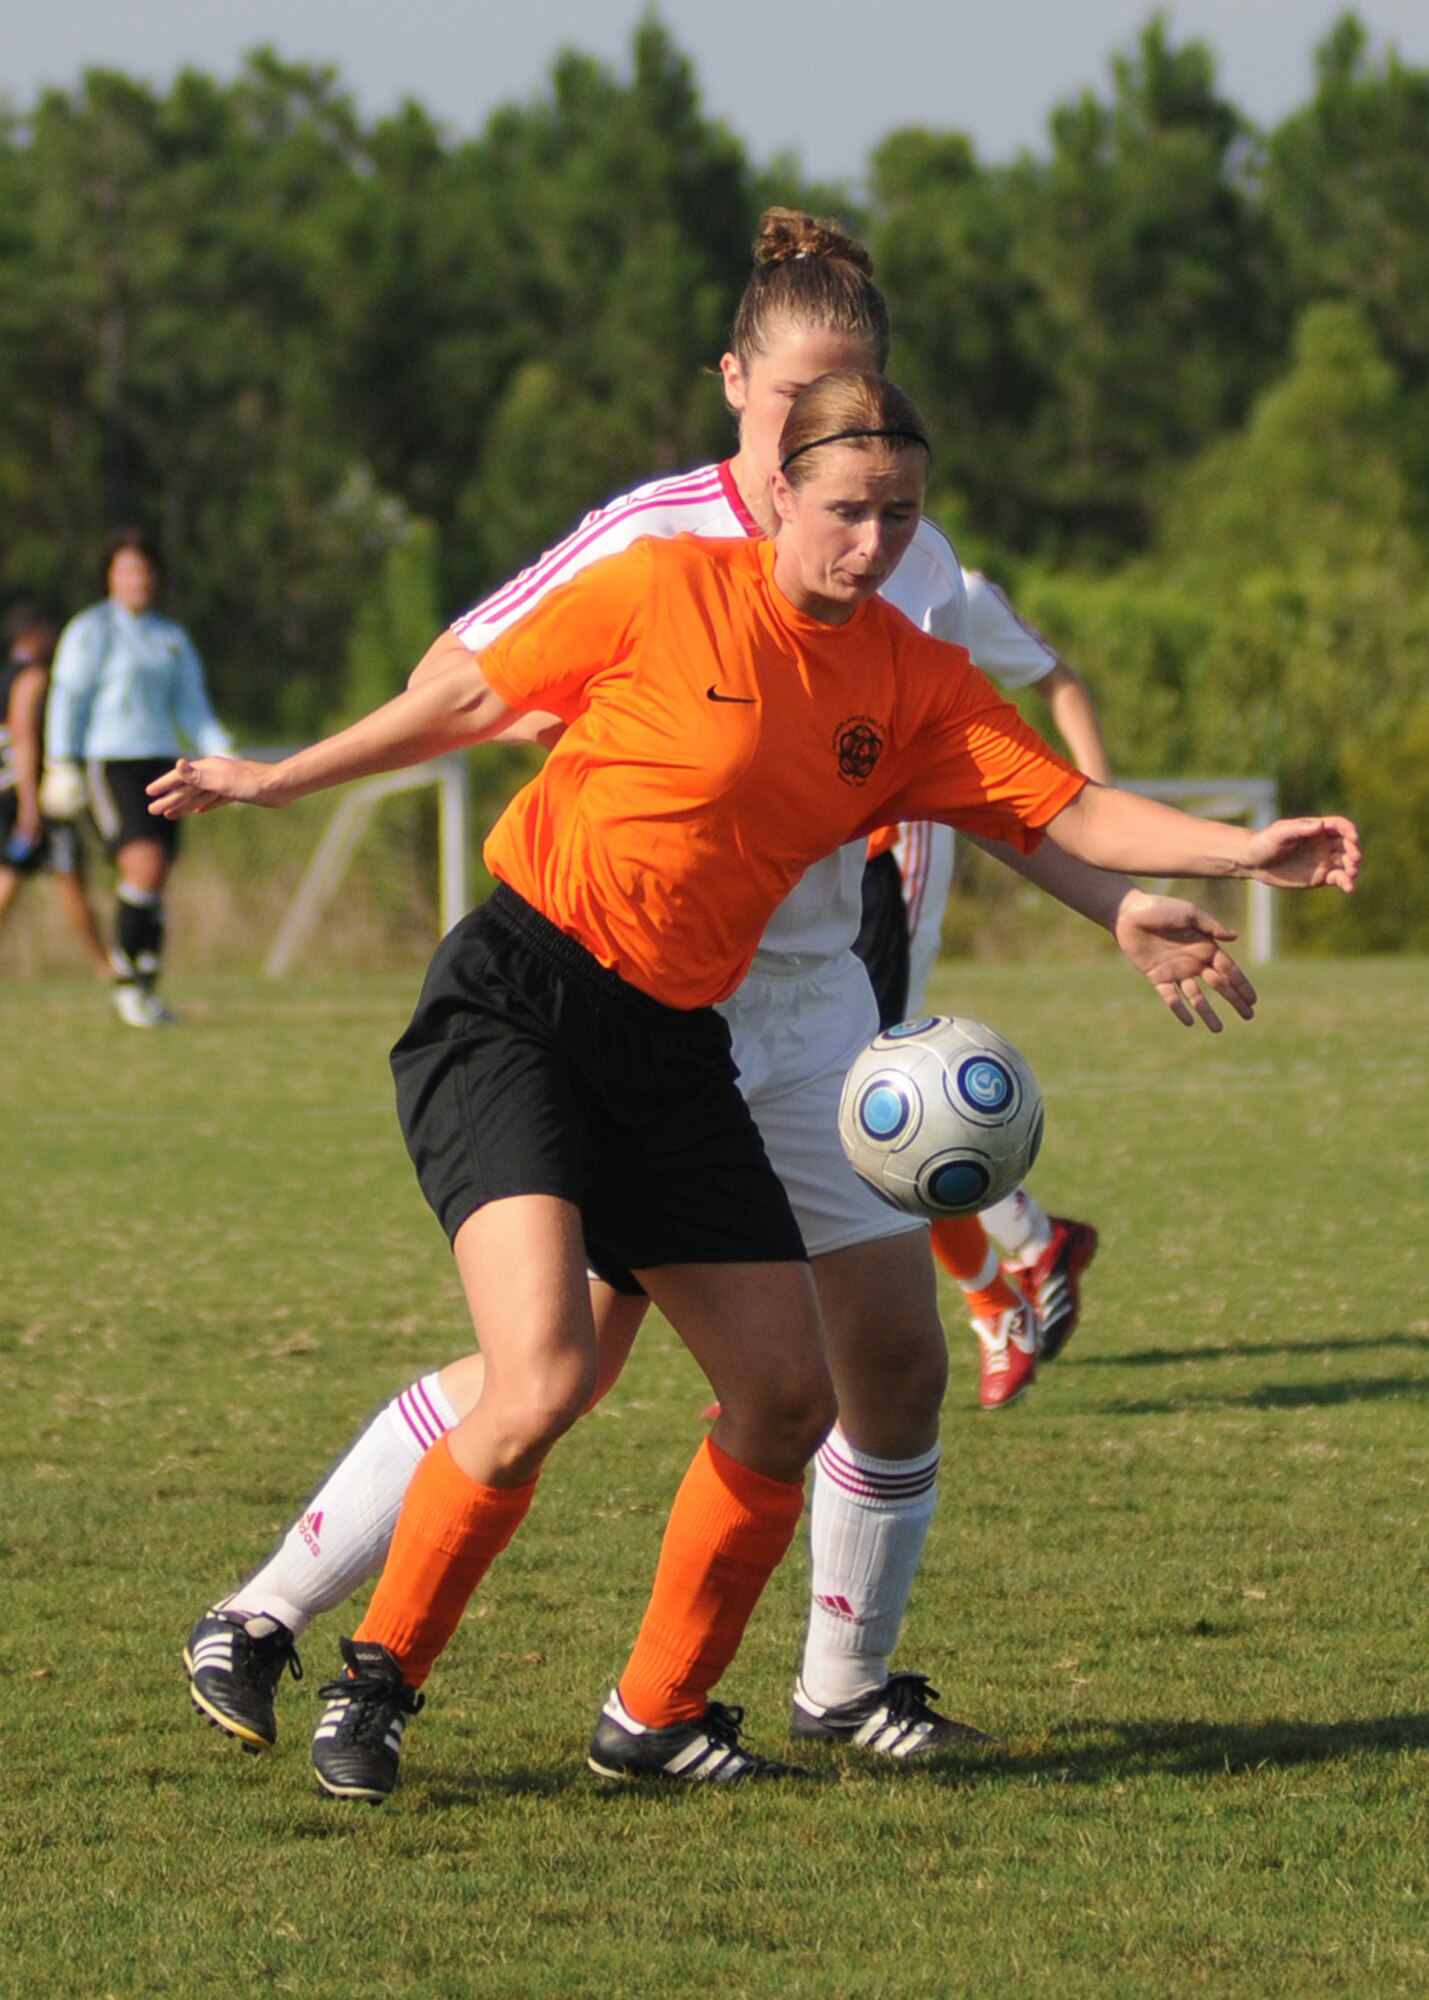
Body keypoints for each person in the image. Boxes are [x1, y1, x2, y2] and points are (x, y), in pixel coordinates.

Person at [154, 367, 1357, 1803]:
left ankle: (654, 1716)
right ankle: (378, 1677)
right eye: (848, 510)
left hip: (677, 1046)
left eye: (901, 518)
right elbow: (469, 690)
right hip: (518, 1007)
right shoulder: (663, 586)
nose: (873, 545)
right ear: (777, 489)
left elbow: (1062, 805)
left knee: (787, 1394)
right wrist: (285, 778)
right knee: (542, 1376)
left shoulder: (911, 681)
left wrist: (1227, 857)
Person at [860, 573, 1116, 1407]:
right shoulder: (777, 559)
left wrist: (1097, 804)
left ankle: (992, 1300)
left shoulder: (943, 583)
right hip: (803, 863)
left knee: (871, 1093)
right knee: (814, 1092)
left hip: (893, 854)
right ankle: (1029, 1244)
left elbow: (1056, 678)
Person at [40, 528, 233, 1026]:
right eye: (127, 569)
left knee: (157, 877)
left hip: (162, 761)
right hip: (110, 762)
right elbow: (68, 697)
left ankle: (145, 984)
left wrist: (219, 747)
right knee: (142, 867)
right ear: (111, 576)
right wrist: (61, 762)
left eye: (145, 570)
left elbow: (190, 705)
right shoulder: (92, 630)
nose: (137, 579)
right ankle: (125, 986)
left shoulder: (170, 637)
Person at [0, 604, 111, 977]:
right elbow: (24, 740)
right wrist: (31, 807)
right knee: (68, 877)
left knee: (11, 875)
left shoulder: (5, 675)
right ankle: (104, 964)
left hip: (10, 794)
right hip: (28, 795)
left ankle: (103, 962)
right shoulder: (32, 678)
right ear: (34, 636)